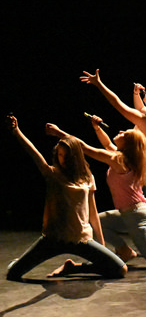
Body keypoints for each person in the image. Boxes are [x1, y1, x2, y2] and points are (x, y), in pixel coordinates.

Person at [5, 115, 127, 281]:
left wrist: (101, 243)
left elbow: (92, 210)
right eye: (60, 155)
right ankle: (18, 262)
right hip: (54, 239)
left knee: (120, 269)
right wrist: (17, 131)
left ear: (75, 156)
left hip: (81, 239)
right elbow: (34, 153)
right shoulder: (53, 174)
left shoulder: (87, 177)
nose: (62, 159)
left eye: (66, 155)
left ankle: (73, 267)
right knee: (13, 274)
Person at [45, 119, 146, 268]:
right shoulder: (123, 159)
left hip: (136, 216)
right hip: (128, 214)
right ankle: (124, 250)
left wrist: (59, 132)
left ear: (128, 144)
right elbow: (108, 144)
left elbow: (84, 148)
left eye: (124, 133)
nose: (121, 132)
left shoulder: (119, 160)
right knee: (99, 222)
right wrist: (97, 128)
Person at [79, 70, 146, 221]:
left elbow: (118, 104)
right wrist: (136, 95)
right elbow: (141, 109)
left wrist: (99, 84)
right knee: (135, 208)